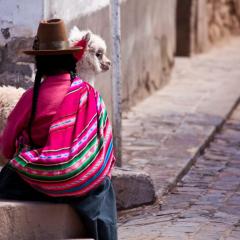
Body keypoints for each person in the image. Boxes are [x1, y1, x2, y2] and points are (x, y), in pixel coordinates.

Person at [0, 19, 117, 240]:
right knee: (102, 184)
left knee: (8, 177)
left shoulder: (29, 98)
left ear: (39, 63)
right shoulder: (90, 96)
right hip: (82, 182)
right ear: (71, 59)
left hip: (37, 182)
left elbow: (6, 148)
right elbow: (103, 146)